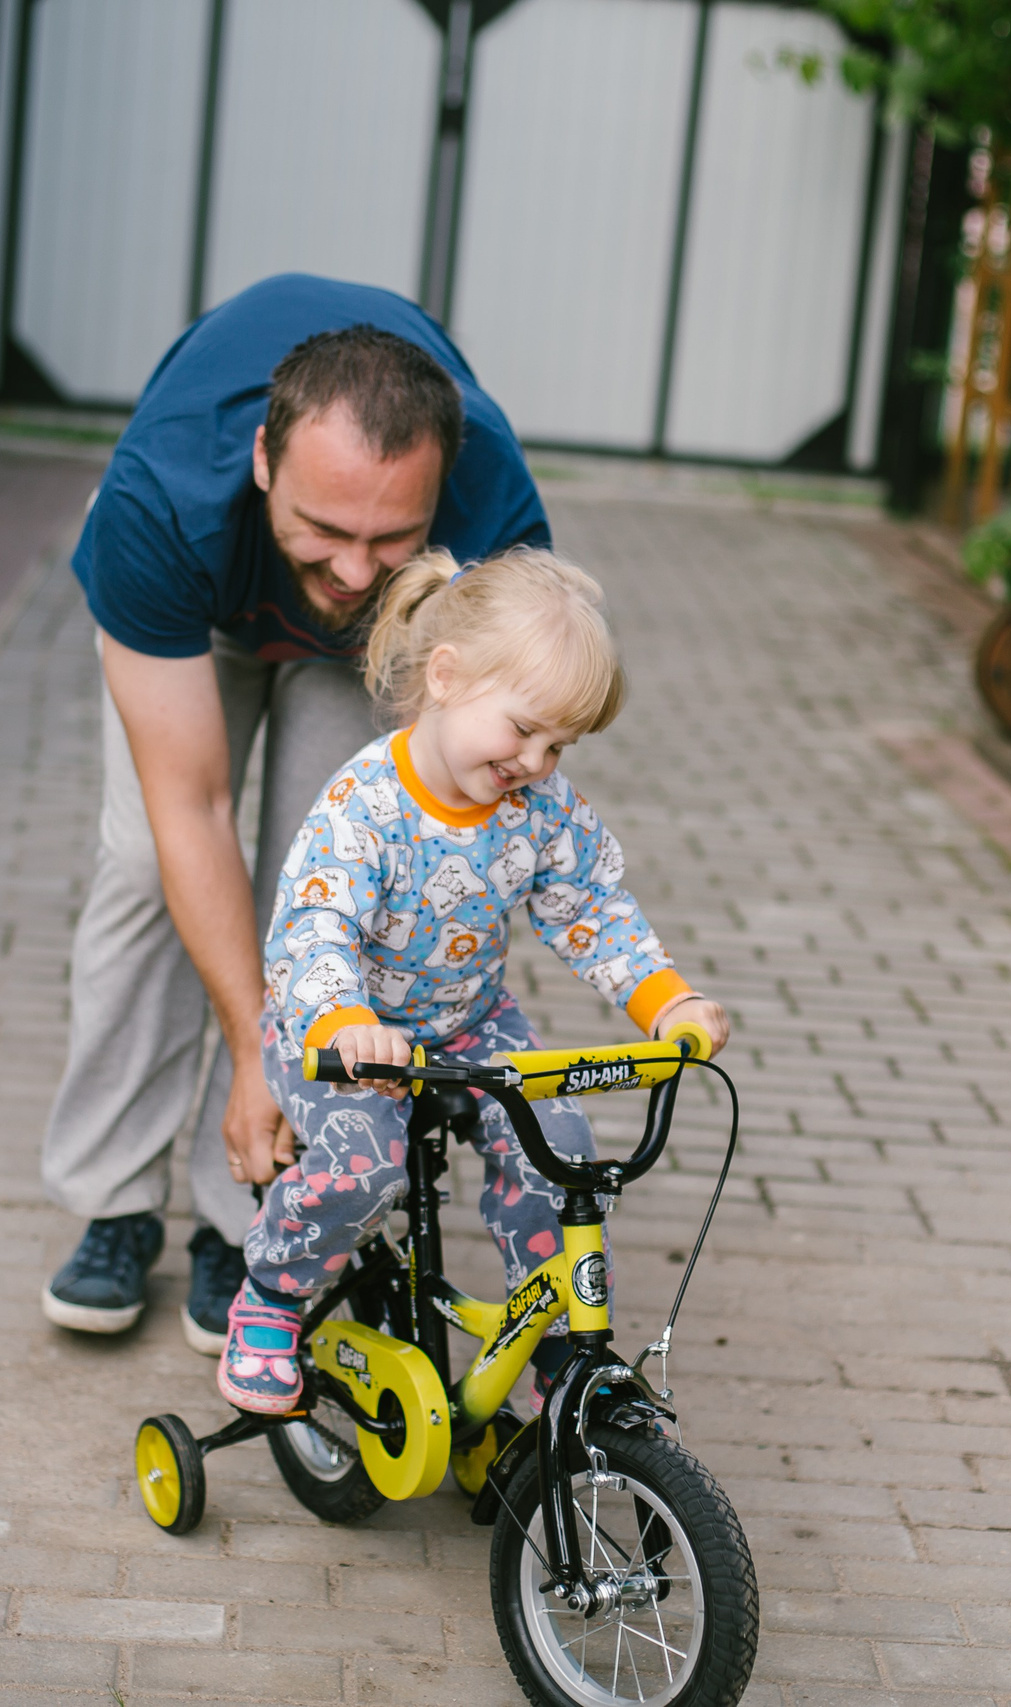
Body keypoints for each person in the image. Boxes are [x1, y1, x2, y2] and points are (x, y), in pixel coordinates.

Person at [41, 275, 551, 1350]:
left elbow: (499, 733)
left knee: (337, 891)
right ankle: (114, 1202)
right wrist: (251, 1042)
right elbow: (193, 805)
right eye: (324, 529)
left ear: (443, 490)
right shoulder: (160, 499)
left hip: (387, 649)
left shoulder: (491, 512)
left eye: (389, 535)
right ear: (265, 464)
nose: (354, 567)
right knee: (147, 866)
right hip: (206, 606)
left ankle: (248, 1215)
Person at [215, 545, 730, 1413]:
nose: (534, 759)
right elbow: (315, 928)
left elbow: (589, 906)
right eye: (524, 728)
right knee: (362, 1162)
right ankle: (271, 1295)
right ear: (447, 677)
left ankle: (559, 1343)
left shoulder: (539, 809)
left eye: (559, 745)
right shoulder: (365, 805)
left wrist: (663, 997)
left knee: (559, 1151)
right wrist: (342, 1020)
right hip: (344, 1031)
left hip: (468, 1020)